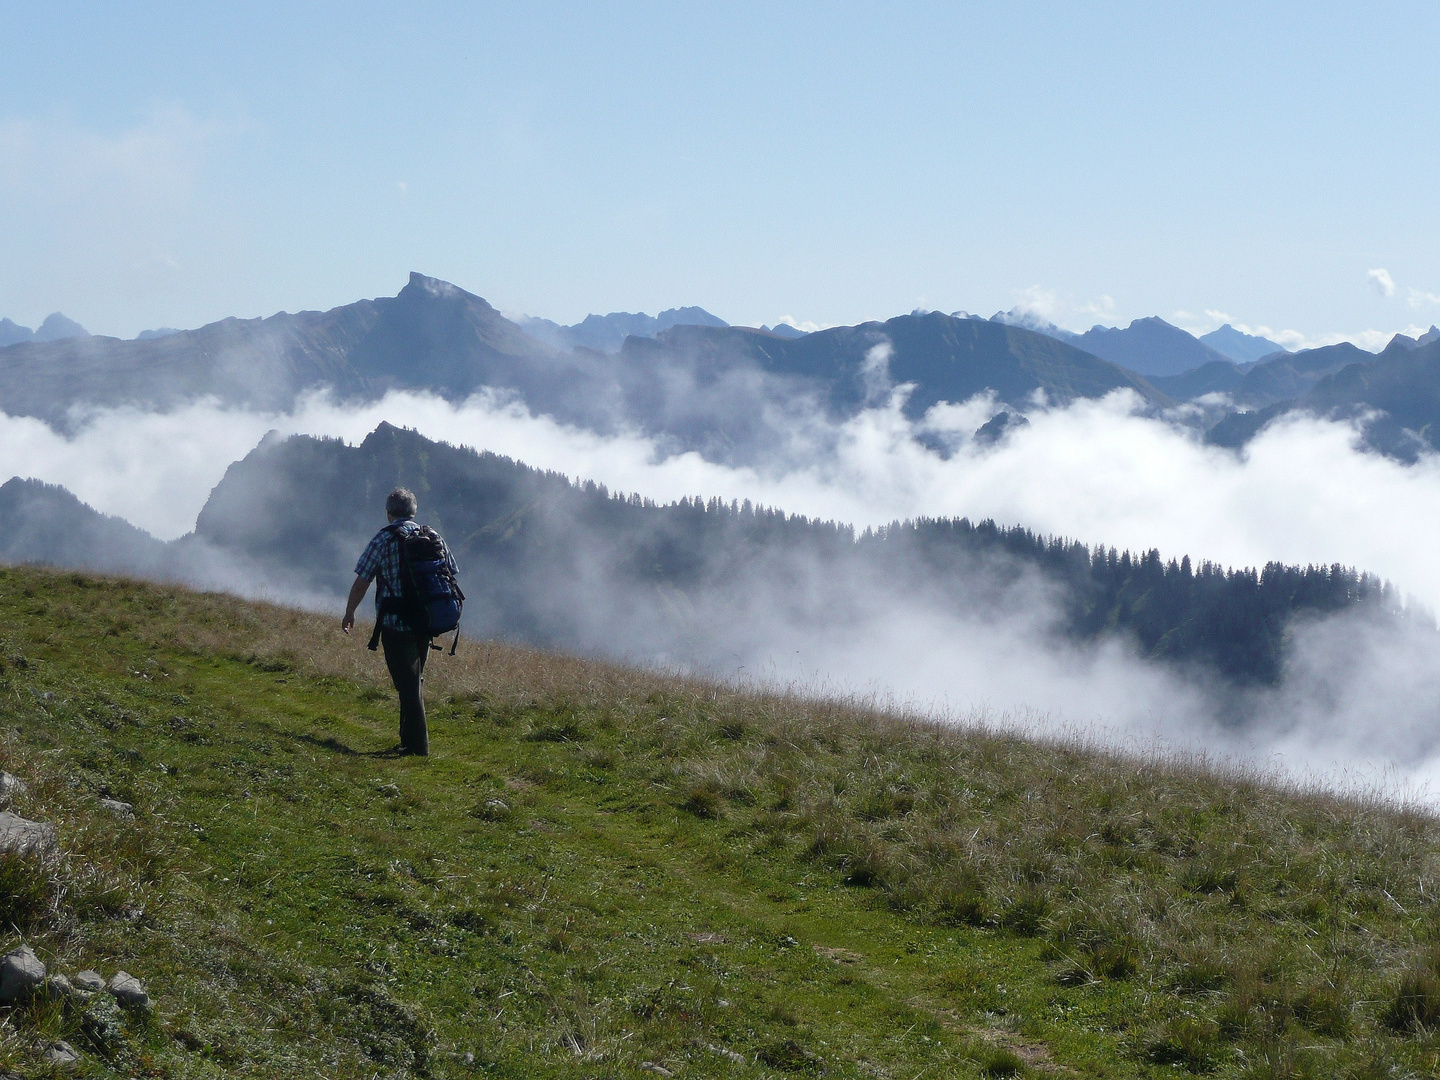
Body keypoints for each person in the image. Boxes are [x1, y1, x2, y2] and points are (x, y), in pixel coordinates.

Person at [341, 487, 459, 756]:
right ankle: (408, 741)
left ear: (389, 512)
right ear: (413, 511)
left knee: (407, 685)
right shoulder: (432, 536)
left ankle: (418, 748)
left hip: (395, 623)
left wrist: (350, 612)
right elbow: (451, 571)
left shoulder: (383, 539)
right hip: (426, 621)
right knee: (414, 682)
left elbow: (362, 581)